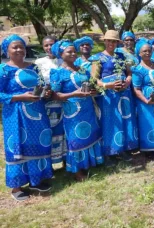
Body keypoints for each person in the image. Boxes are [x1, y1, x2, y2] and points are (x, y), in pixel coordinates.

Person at [0, 35, 53, 201]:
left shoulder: (34, 67)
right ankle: (17, 187)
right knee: (18, 146)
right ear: (6, 51)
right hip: (15, 114)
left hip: (37, 113)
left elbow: (40, 87)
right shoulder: (4, 70)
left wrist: (46, 92)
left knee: (37, 144)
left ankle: (35, 181)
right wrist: (20, 97)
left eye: (21, 47)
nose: (18, 50)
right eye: (14, 47)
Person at [50, 40, 103, 181]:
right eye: (69, 51)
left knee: (90, 133)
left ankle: (88, 163)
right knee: (75, 137)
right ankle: (76, 170)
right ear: (61, 54)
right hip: (72, 111)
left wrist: (92, 90)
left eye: (74, 51)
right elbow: (55, 95)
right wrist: (75, 94)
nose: (73, 54)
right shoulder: (58, 72)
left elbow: (89, 83)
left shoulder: (81, 69)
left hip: (87, 107)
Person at [89, 30, 139, 165]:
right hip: (108, 96)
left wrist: (128, 80)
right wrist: (108, 85)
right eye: (109, 41)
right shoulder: (97, 58)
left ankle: (123, 149)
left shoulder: (121, 56)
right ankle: (109, 152)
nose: (111, 43)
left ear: (118, 43)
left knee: (125, 119)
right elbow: (94, 80)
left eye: (114, 41)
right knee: (110, 121)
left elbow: (129, 72)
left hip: (124, 93)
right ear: (104, 41)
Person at [34, 35, 66, 165]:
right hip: (46, 102)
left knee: (63, 131)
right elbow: (38, 83)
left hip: (64, 100)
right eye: (46, 45)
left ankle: (65, 160)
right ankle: (49, 163)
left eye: (51, 44)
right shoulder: (39, 63)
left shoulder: (63, 60)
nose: (49, 48)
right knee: (48, 131)